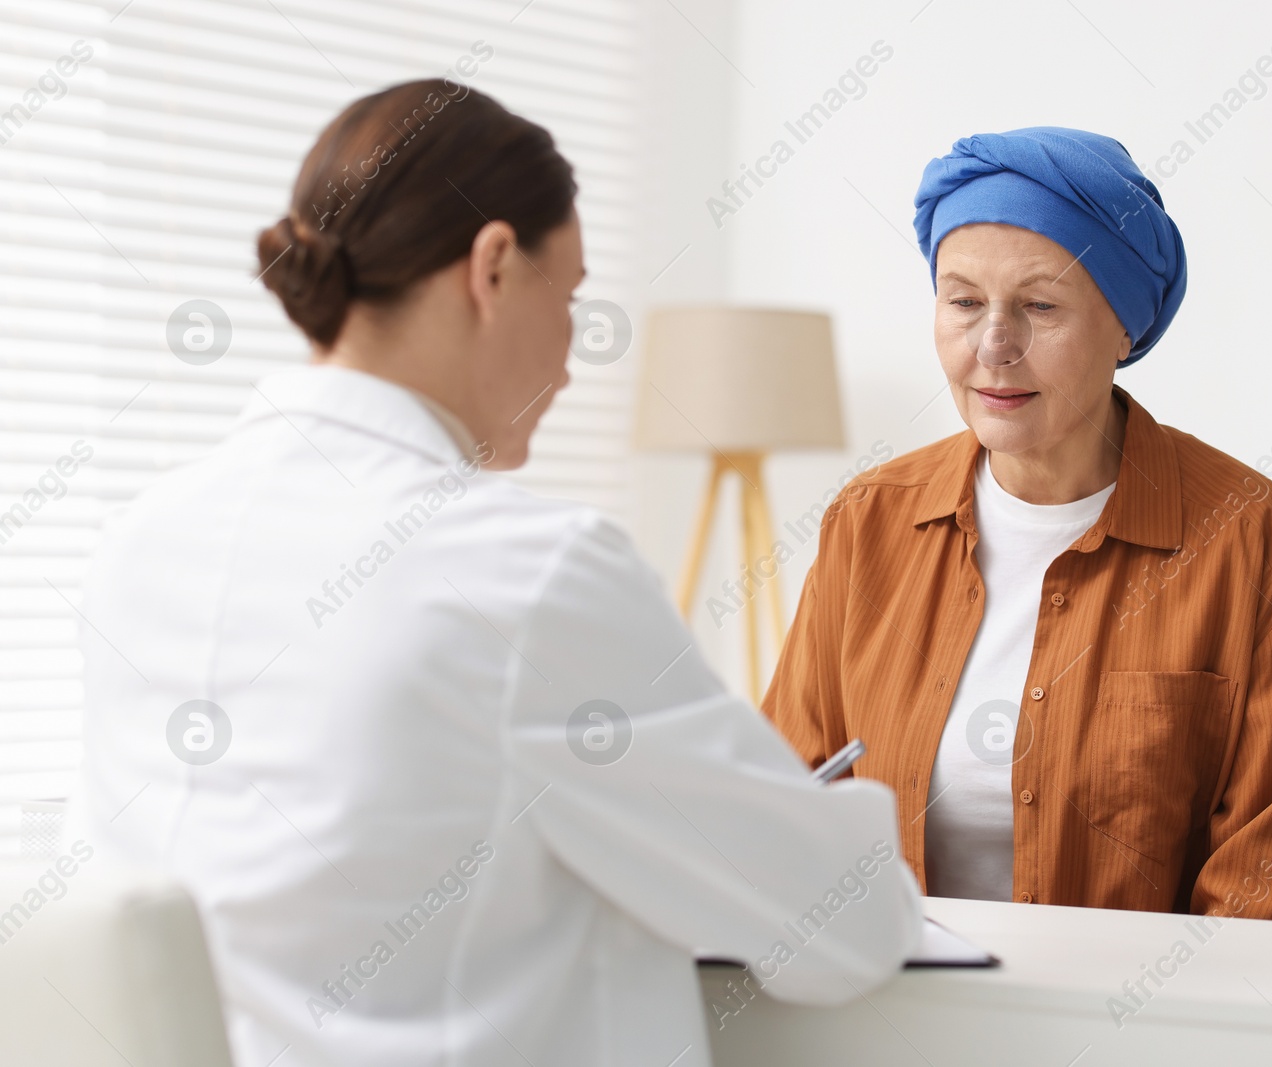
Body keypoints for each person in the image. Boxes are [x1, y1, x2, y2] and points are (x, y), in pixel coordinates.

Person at [66, 80, 921, 1067]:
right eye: (572, 297)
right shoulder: (524, 573)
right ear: (494, 265)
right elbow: (840, 925)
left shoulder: (140, 540)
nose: (570, 355)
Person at [763, 127, 1272, 921]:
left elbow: (1264, 895)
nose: (994, 345)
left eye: (1040, 306)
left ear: (1125, 327)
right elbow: (786, 810)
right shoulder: (870, 521)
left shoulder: (1245, 539)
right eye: (963, 302)